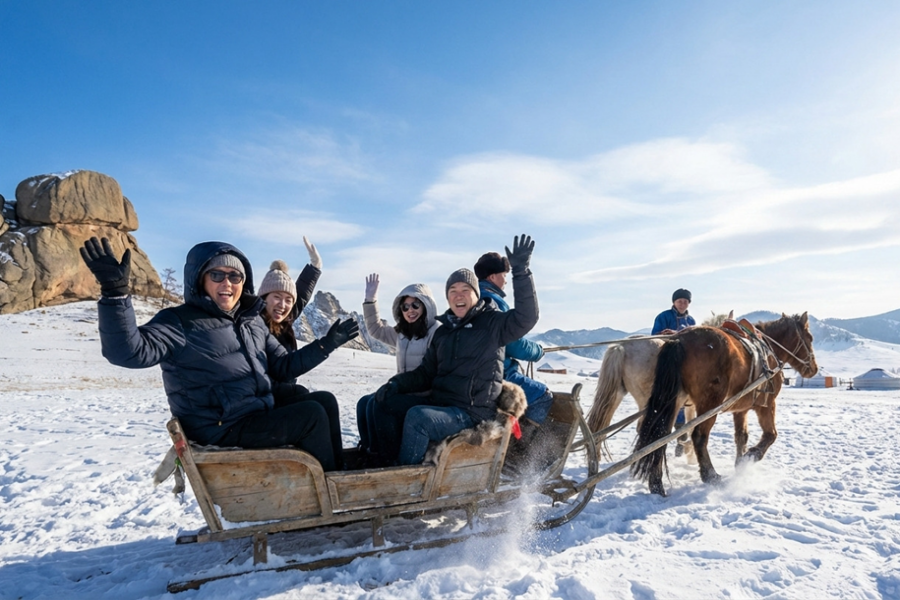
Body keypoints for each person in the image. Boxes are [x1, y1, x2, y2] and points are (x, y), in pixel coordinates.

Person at [79, 236, 359, 472]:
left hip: (249, 412)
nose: (227, 283)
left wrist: (326, 344)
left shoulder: (250, 320)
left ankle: (336, 472)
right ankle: (326, 487)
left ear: (243, 281)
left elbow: (284, 366)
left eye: (235, 276)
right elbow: (127, 352)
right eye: (217, 275)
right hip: (220, 426)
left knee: (323, 400)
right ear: (201, 280)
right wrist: (115, 295)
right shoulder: (179, 321)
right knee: (310, 415)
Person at [374, 234, 539, 466]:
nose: (458, 295)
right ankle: (381, 463)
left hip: (472, 413)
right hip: (443, 405)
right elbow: (426, 374)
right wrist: (396, 384)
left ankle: (406, 480)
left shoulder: (493, 324)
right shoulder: (444, 331)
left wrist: (521, 272)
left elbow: (526, 317)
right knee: (382, 403)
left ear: (475, 294)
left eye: (465, 290)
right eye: (453, 290)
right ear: (448, 297)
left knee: (418, 418)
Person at [258, 255, 346, 469]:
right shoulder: (255, 326)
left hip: (275, 395)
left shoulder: (280, 320)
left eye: (288, 299)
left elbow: (300, 297)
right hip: (264, 404)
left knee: (326, 400)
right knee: (313, 409)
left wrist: (314, 268)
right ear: (264, 297)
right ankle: (325, 474)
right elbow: (273, 372)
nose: (283, 304)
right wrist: (325, 345)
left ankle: (338, 468)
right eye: (277, 297)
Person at [356, 275, 440, 465]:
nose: (410, 310)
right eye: (405, 306)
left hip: (427, 395)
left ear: (427, 305)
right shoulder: (403, 333)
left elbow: (431, 372)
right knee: (365, 403)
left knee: (382, 404)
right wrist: (370, 300)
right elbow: (376, 330)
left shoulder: (435, 332)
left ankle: (388, 458)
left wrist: (397, 385)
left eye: (415, 305)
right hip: (405, 391)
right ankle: (371, 452)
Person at [474, 251, 553, 429]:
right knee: (543, 396)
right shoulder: (493, 302)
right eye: (504, 275)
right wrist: (537, 351)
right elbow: (512, 344)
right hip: (498, 374)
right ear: (493, 277)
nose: (506, 280)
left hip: (477, 374)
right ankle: (521, 448)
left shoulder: (471, 300)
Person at [651, 287, 695, 448]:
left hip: (685, 360)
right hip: (666, 359)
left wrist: (677, 333)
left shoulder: (691, 321)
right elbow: (654, 335)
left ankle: (681, 434)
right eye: (679, 301)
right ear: (674, 302)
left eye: (685, 301)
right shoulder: (663, 317)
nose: (682, 304)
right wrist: (669, 335)